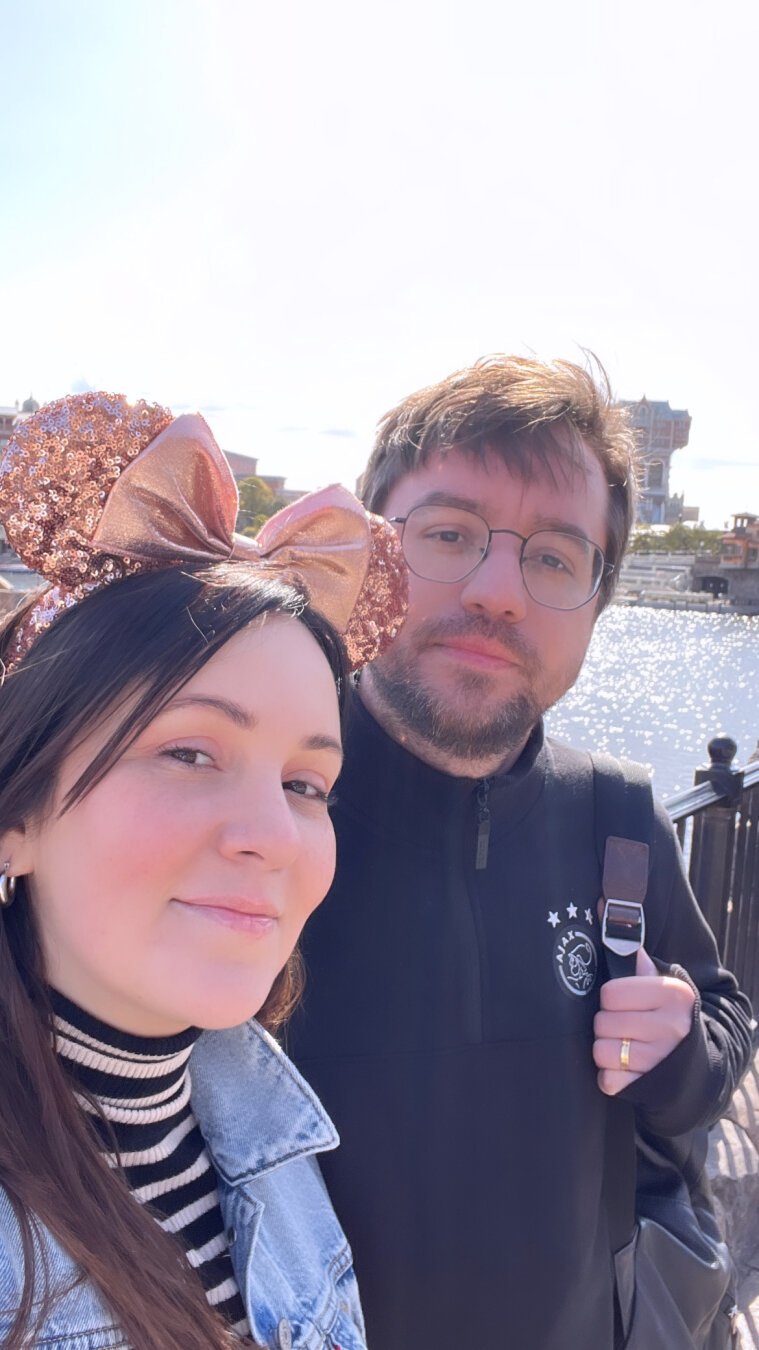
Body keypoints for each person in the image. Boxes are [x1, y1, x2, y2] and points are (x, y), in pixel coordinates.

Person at [287, 355, 754, 1350]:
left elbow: (722, 1024)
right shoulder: (259, 808)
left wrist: (677, 1048)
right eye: (449, 534)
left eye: (553, 557)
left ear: (594, 601)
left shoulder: (617, 815)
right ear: (371, 552)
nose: (499, 590)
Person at [0, 392, 406, 1350]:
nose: (274, 833)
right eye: (189, 753)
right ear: (16, 816)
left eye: (308, 782)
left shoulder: (261, 1132)